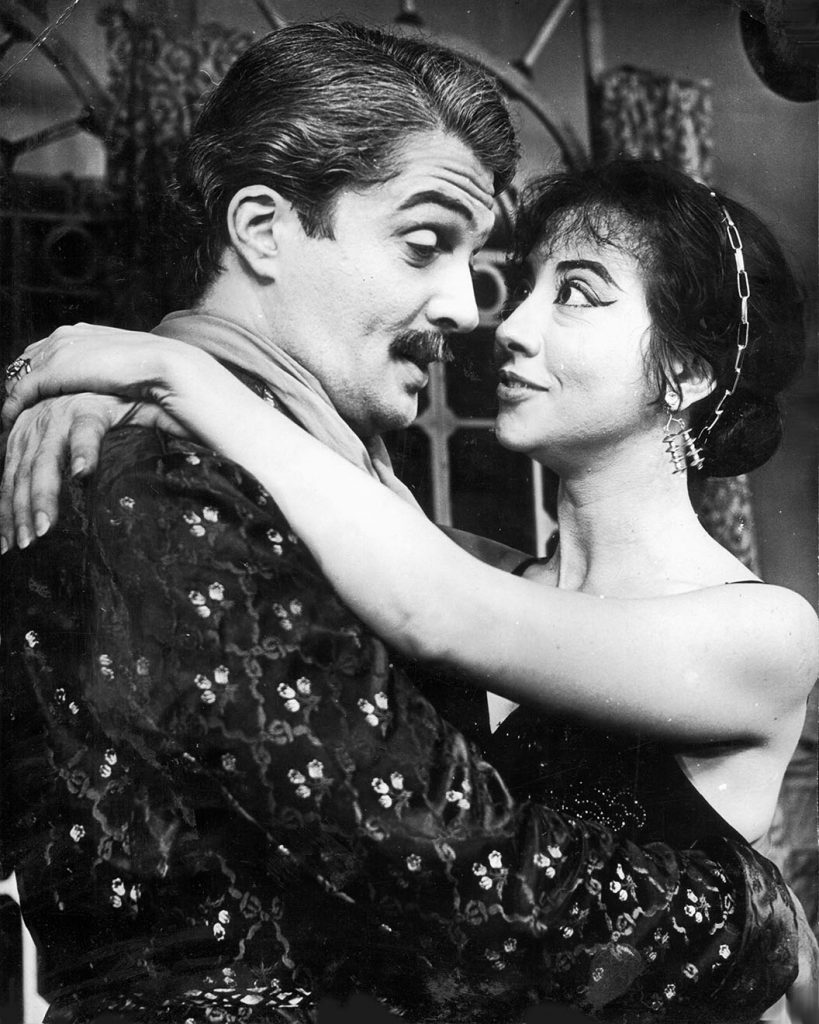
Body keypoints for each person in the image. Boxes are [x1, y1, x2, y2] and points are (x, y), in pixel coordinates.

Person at [0, 25, 814, 1024]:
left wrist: (175, 369)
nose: (493, 320)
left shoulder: (757, 627)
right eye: (430, 246)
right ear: (259, 229)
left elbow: (431, 607)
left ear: (685, 374)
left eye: (575, 294)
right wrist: (126, 378)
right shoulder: (401, 544)